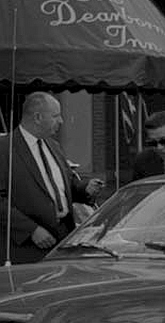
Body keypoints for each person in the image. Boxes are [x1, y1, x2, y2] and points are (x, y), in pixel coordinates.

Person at [0, 92, 104, 264]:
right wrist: (31, 230)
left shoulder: (54, 146)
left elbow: (68, 185)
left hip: (63, 241)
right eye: (56, 116)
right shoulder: (5, 149)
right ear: (38, 117)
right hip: (26, 248)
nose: (61, 121)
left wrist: (85, 188)